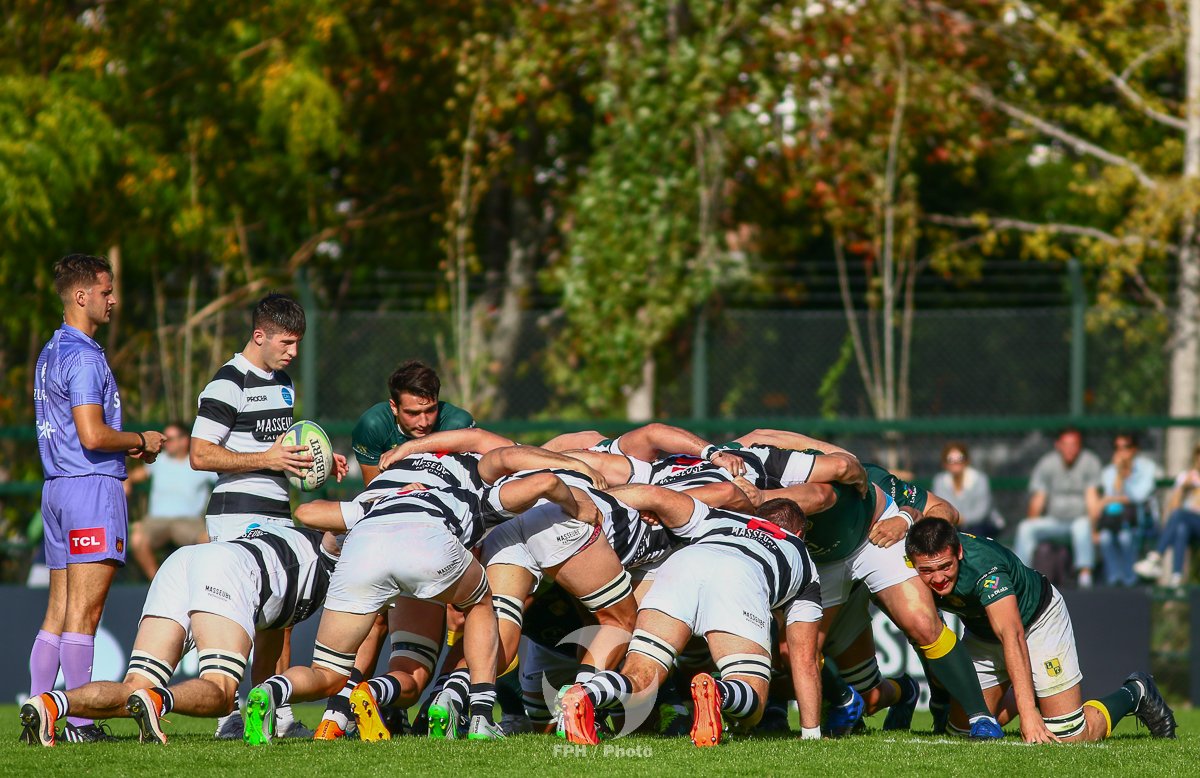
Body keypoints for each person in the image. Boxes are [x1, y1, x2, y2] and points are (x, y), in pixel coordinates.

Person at [246, 471, 598, 744]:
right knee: (480, 602)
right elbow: (546, 482)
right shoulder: (463, 496)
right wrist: (579, 506)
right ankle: (481, 716)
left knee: (328, 674)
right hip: (427, 544)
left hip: (362, 555)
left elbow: (306, 511)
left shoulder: (378, 501)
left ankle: (270, 691)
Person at [19, 523, 339, 746]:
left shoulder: (298, 557)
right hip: (228, 569)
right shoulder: (337, 559)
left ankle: (50, 704)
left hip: (185, 560)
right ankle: (159, 700)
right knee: (221, 692)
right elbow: (324, 518)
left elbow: (267, 659)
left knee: (136, 686)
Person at [189, 293, 349, 739]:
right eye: (287, 342)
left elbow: (283, 447)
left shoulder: (283, 383)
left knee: (281, 615)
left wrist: (316, 459)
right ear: (260, 335)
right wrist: (270, 458)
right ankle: (228, 715)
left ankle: (270, 711)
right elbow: (200, 454)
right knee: (241, 613)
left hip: (279, 513)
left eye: (298, 342)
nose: (293, 352)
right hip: (236, 516)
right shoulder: (227, 383)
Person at [558, 488, 823, 747]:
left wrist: (587, 499)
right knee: (752, 696)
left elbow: (654, 495)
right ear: (799, 533)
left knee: (642, 679)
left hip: (684, 563)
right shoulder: (802, 557)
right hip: (741, 576)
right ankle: (717, 693)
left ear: (757, 516)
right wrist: (812, 734)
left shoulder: (721, 517)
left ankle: (587, 692)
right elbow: (804, 659)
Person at [30, 254, 166, 743]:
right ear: (81, 296)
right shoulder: (85, 355)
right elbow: (91, 433)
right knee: (84, 616)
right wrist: (139, 441)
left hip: (56, 490)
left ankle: (37, 710)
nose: (114, 300)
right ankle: (80, 723)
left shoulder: (50, 351)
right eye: (106, 292)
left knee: (58, 611)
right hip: (90, 487)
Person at [906, 517, 1175, 742]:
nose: (939, 578)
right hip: (982, 633)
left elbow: (1012, 635)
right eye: (928, 570)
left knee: (1068, 736)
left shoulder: (985, 569)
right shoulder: (905, 569)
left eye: (945, 566)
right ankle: (1030, 687)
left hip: (1037, 623)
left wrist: (1028, 712)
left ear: (959, 553)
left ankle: (1135, 693)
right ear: (912, 562)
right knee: (963, 734)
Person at [351, 360, 475, 485]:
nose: (424, 422)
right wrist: (403, 493)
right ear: (394, 407)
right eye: (413, 413)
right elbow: (374, 493)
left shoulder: (458, 425)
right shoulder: (373, 426)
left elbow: (472, 488)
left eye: (431, 410)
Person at [125, 422, 216, 579]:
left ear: (184, 440)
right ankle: (157, 582)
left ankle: (200, 583)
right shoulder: (159, 461)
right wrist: (126, 481)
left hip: (189, 522)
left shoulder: (198, 462)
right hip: (157, 521)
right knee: (137, 538)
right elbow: (135, 475)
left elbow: (223, 479)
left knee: (209, 542)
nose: (166, 443)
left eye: (171, 439)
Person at [1014, 429, 1102, 588]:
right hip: (1054, 522)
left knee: (1082, 526)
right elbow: (1038, 500)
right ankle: (1020, 577)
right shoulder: (1047, 463)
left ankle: (1085, 576)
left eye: (1074, 445)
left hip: (1079, 524)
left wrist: (1094, 530)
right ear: (1058, 445)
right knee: (1025, 527)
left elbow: (1092, 499)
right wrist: (1034, 520)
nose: (1070, 449)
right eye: (1066, 445)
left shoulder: (1090, 462)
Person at [1135, 441, 1200, 587]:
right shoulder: (1186, 477)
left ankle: (1156, 557)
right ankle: (1176, 576)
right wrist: (1184, 488)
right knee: (1181, 527)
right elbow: (1173, 508)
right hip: (1189, 525)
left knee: (1180, 516)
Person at [1096, 433, 1158, 587]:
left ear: (1135, 449)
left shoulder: (1147, 467)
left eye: (1126, 447)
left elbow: (1138, 497)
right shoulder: (1109, 471)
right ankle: (1114, 580)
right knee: (1105, 538)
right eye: (1117, 448)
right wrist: (1119, 473)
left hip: (1140, 520)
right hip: (1112, 520)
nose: (1122, 452)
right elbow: (1110, 497)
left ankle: (1130, 581)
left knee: (1125, 537)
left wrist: (1125, 477)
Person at [931, 443, 1003, 538]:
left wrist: (960, 519)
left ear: (967, 460)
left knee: (976, 535)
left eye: (960, 458)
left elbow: (981, 512)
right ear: (944, 463)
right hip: (951, 525)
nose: (955, 462)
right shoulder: (940, 481)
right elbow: (940, 507)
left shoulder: (979, 479)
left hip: (981, 525)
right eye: (950, 459)